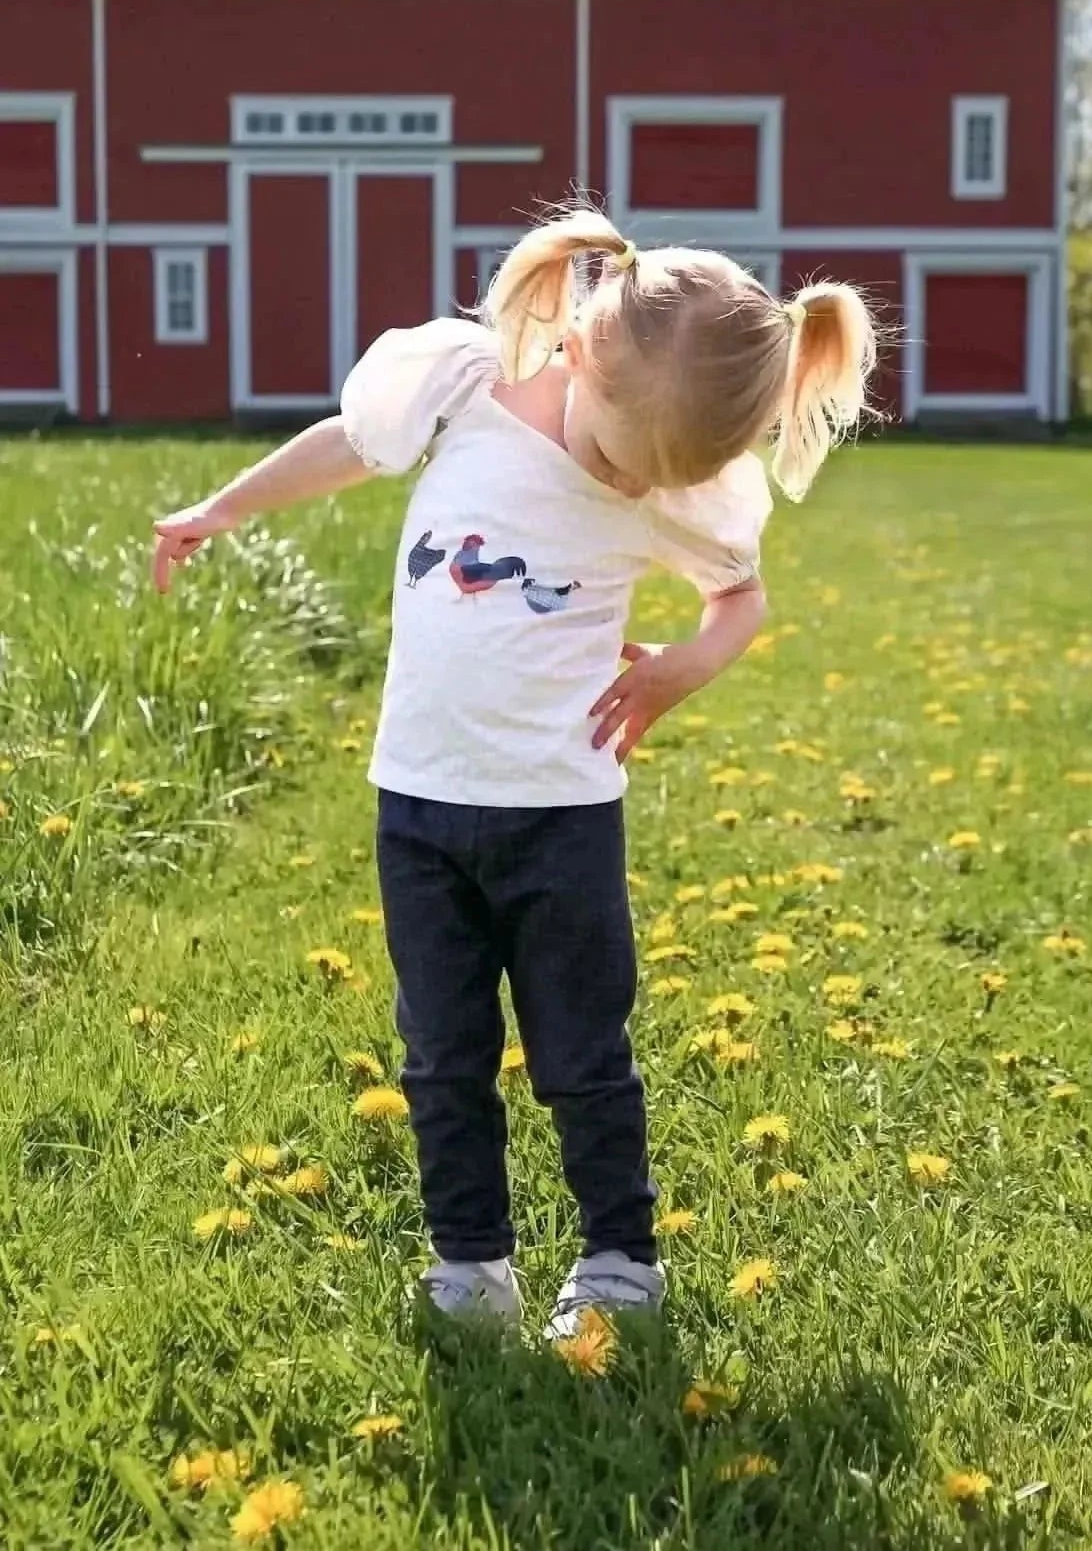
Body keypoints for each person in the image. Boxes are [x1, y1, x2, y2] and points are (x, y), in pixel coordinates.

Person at [152, 206, 876, 1338]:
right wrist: (226, 506)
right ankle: (472, 1265)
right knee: (442, 1054)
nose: (626, 488)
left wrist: (683, 667)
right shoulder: (458, 388)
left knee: (584, 1054)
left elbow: (740, 598)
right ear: (577, 350)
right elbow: (349, 443)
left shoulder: (669, 475)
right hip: (421, 803)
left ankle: (620, 1260)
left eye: (652, 480)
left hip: (562, 817)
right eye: (616, 462)